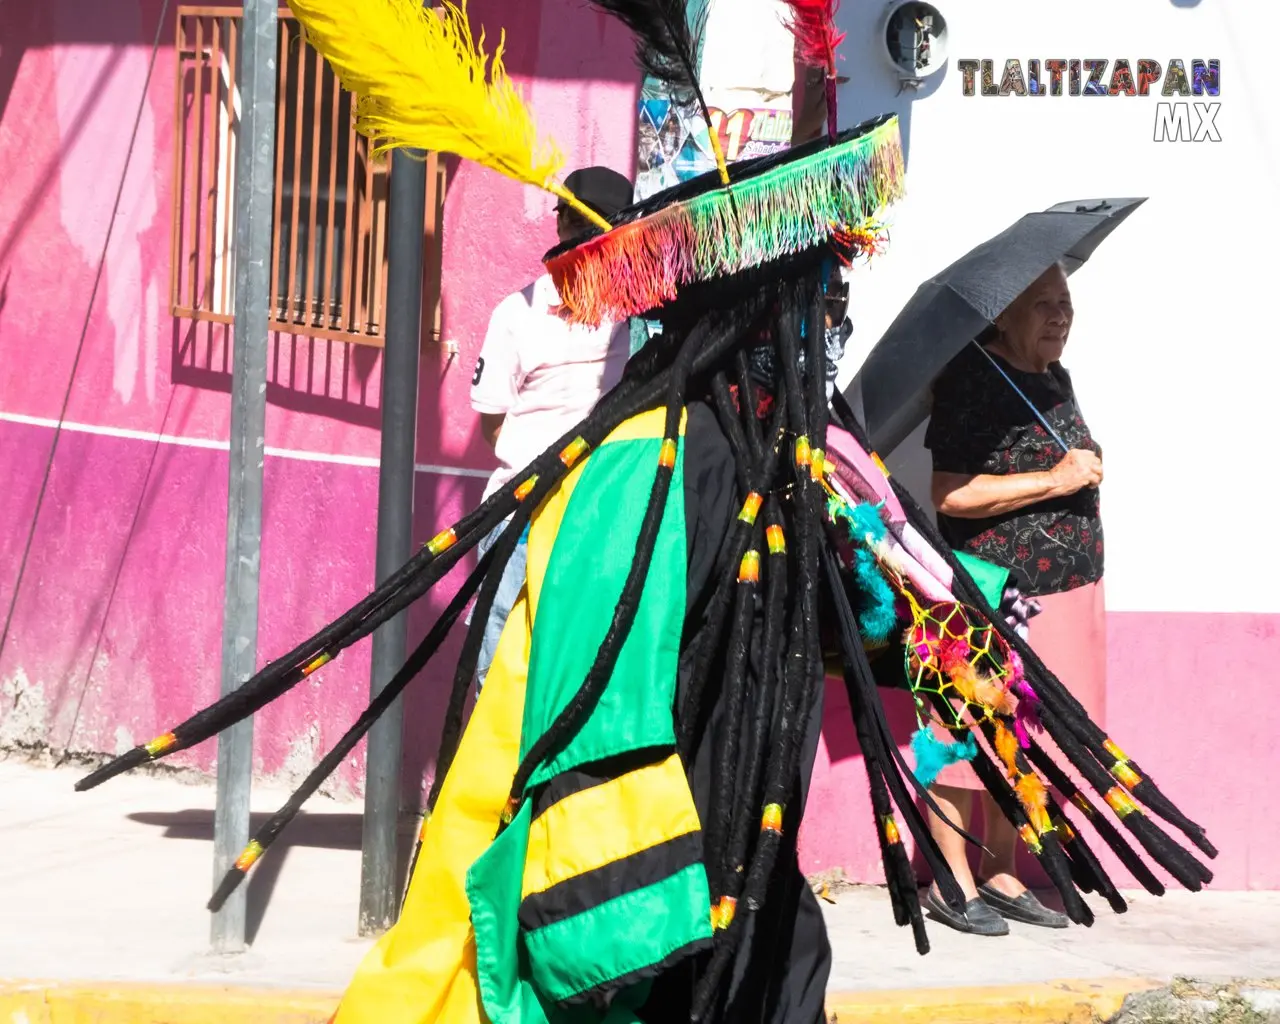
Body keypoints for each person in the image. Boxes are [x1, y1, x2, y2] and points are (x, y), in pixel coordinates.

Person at [921, 261, 1107, 935]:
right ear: (1003, 313)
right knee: (965, 727)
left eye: (1066, 303)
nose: (1061, 316)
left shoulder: (1054, 379)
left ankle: (1000, 871)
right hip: (996, 593)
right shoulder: (973, 379)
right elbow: (951, 493)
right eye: (1044, 305)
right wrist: (1056, 481)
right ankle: (950, 876)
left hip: (1063, 595)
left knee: (1023, 737)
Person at [466, 165, 635, 691]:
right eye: (576, 226)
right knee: (502, 672)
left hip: (594, 519)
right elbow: (493, 424)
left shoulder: (634, 312)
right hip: (519, 515)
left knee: (572, 670)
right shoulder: (518, 314)